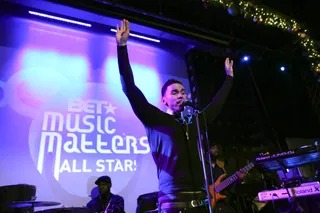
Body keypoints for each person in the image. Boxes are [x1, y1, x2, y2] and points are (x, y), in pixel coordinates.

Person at [115, 19, 234, 213]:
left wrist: (229, 79)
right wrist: (122, 47)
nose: (180, 96)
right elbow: (129, 87)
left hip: (202, 199)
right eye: (174, 93)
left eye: (183, 92)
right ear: (164, 100)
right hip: (174, 200)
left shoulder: (194, 121)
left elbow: (216, 105)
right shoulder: (155, 119)